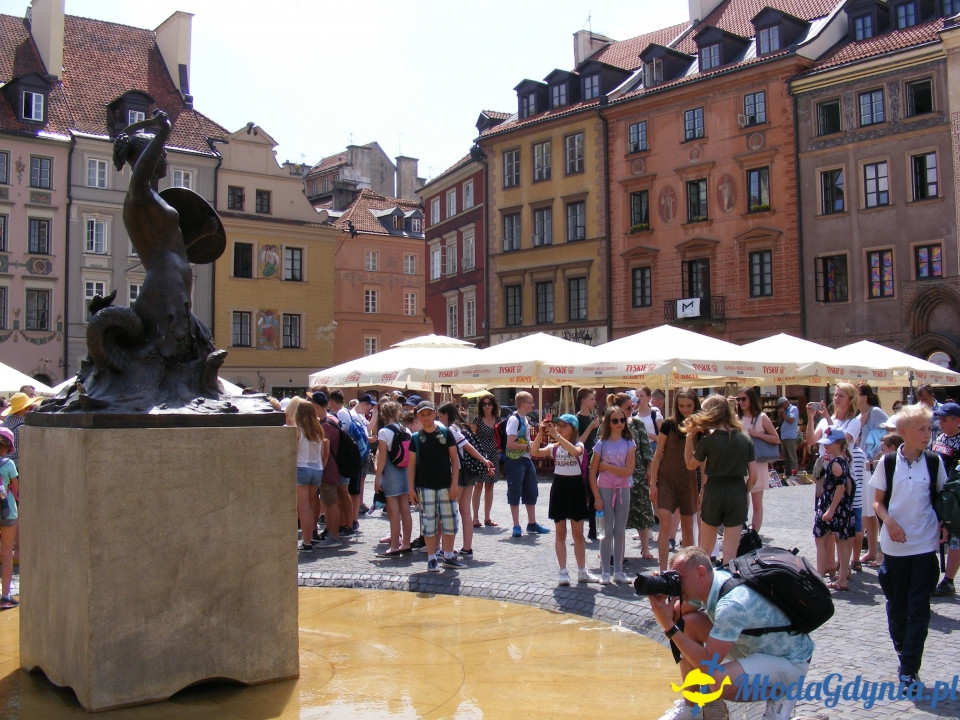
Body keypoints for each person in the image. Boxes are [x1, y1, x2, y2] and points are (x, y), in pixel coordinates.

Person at [649, 546, 815, 720]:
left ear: (700, 572)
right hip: (754, 645)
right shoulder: (711, 580)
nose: (678, 583)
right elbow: (677, 614)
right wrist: (660, 593)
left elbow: (708, 666)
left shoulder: (731, 605)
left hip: (788, 660)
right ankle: (691, 709)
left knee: (718, 681)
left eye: (680, 578)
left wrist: (668, 626)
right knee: (688, 623)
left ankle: (781, 691)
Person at [869, 403, 947, 685]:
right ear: (904, 433)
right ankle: (903, 650)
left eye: (929, 428)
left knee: (919, 609)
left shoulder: (934, 463)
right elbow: (877, 501)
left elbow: (942, 498)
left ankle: (910, 667)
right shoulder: (888, 463)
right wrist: (888, 521)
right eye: (921, 429)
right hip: (894, 548)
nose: (927, 434)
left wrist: (945, 524)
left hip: (924, 546)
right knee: (897, 607)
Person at [684, 395, 756, 568]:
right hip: (737, 489)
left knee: (706, 550)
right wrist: (743, 492)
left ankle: (704, 588)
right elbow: (754, 477)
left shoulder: (708, 441)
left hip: (714, 490)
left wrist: (688, 440)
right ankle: (728, 587)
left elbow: (690, 465)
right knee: (731, 552)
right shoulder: (745, 439)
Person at [531, 414, 597, 585]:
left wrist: (556, 436)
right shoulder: (554, 447)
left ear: (573, 429)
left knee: (578, 534)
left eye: (564, 425)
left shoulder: (578, 444)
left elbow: (575, 452)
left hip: (575, 488)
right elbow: (535, 452)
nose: (559, 428)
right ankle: (563, 571)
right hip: (559, 486)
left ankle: (582, 570)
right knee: (560, 532)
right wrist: (540, 433)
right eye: (558, 425)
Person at [408, 401, 463, 572]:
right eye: (422, 415)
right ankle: (431, 558)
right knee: (429, 523)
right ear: (418, 416)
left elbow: (454, 460)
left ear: (434, 414)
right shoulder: (416, 438)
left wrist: (454, 484)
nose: (426, 417)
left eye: (428, 414)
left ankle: (448, 555)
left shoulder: (446, 433)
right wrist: (411, 489)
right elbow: (411, 466)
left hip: (445, 485)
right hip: (425, 486)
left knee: (449, 522)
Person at [649, 388, 701, 572]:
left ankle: (686, 570)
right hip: (667, 479)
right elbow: (657, 454)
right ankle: (663, 569)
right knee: (665, 524)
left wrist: (703, 488)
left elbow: (704, 459)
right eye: (681, 406)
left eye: (689, 405)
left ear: (695, 404)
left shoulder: (700, 427)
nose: (685, 409)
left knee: (687, 526)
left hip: (689, 481)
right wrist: (653, 482)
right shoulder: (669, 424)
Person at [438, 402, 494, 559]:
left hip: (459, 472)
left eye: (441, 415)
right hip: (469, 472)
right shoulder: (462, 427)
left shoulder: (451, 430)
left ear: (447, 415)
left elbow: (468, 447)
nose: (439, 419)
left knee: (450, 510)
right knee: (465, 510)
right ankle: (467, 548)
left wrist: (484, 461)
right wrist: (484, 461)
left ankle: (447, 548)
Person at [588, 405, 636, 584]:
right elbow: (592, 472)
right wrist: (597, 497)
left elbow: (628, 470)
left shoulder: (629, 443)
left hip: (623, 489)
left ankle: (619, 571)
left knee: (620, 531)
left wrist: (607, 466)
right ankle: (605, 572)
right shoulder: (601, 444)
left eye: (622, 420)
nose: (619, 423)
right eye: (615, 420)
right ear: (608, 422)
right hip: (605, 488)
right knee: (605, 531)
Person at [609, 393, 655, 559]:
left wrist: (649, 469)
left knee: (641, 511)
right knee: (615, 514)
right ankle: (613, 548)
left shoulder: (637, 424)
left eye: (632, 407)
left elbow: (646, 450)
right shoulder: (608, 425)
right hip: (615, 476)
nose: (632, 409)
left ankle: (645, 548)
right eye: (629, 407)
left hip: (638, 475)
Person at [812, 427, 856, 591]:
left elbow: (841, 488)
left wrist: (830, 510)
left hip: (832, 506)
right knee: (842, 542)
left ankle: (819, 575)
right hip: (841, 507)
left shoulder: (836, 463)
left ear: (838, 443)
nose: (826, 446)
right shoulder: (842, 460)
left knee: (821, 539)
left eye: (829, 444)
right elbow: (848, 486)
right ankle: (842, 577)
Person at [504, 391, 550, 538]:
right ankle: (516, 525)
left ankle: (532, 523)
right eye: (530, 402)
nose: (533, 405)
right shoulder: (514, 420)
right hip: (515, 460)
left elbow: (525, 441)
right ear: (523, 404)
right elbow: (510, 443)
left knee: (531, 490)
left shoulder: (525, 419)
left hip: (526, 458)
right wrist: (528, 448)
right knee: (515, 490)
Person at [372, 401, 414, 557]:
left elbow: (382, 458)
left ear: (383, 415)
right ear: (398, 413)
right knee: (405, 510)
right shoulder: (407, 431)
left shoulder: (384, 432)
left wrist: (377, 478)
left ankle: (394, 546)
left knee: (393, 511)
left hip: (390, 474)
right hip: (404, 472)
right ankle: (406, 544)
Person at [735, 388, 779, 532]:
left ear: (751, 399)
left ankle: (754, 533)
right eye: (738, 399)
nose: (740, 402)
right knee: (740, 500)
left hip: (757, 463)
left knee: (756, 502)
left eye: (743, 399)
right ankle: (740, 528)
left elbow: (776, 439)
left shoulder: (762, 418)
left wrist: (758, 435)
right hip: (740, 463)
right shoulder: (736, 418)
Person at [931, 402, 960, 596]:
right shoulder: (939, 437)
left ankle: (949, 580)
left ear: (957, 421)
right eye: (939, 419)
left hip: (955, 496)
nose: (940, 423)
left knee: (956, 537)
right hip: (937, 494)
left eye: (944, 419)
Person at [294, 401, 329, 554]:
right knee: (309, 506)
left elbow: (293, 453)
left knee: (304, 509)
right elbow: (323, 454)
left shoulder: (297, 430)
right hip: (317, 470)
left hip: (302, 468)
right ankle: (310, 537)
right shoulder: (318, 430)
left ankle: (306, 542)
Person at [312, 392, 343, 549]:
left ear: (316, 406)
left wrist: (320, 469)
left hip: (328, 468)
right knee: (330, 502)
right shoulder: (332, 420)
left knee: (331, 503)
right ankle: (331, 532)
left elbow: (325, 451)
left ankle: (334, 536)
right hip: (332, 467)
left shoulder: (325, 425)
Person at [470, 393, 502, 529]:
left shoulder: (498, 420)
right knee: (478, 485)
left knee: (490, 486)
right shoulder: (477, 420)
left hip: (494, 455)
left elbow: (502, 437)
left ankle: (487, 517)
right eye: (484, 404)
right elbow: (471, 439)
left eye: (489, 404)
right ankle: (475, 518)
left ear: (493, 405)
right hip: (480, 456)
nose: (487, 406)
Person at [575, 388, 601, 540]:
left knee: (593, 495)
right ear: (583, 401)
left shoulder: (592, 417)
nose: (594, 402)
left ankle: (593, 529)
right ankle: (582, 529)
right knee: (584, 495)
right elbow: (578, 442)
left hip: (594, 460)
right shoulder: (577, 419)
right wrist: (591, 427)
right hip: (582, 461)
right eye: (591, 399)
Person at [0, 428, 19, 610]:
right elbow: (16, 487)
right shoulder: (9, 464)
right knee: (6, 554)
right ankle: (5, 596)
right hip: (8, 512)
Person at [1, 392, 43, 466]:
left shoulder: (3, 424)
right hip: (18, 467)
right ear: (24, 409)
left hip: (3, 466)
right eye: (30, 408)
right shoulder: (24, 427)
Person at [776, 396, 799, 478]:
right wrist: (780, 416)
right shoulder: (784, 411)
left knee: (792, 457)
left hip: (790, 437)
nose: (782, 407)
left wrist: (783, 415)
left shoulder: (793, 409)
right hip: (784, 437)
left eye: (782, 405)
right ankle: (788, 474)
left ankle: (794, 474)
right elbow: (780, 422)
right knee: (785, 457)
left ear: (786, 403)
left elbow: (791, 421)